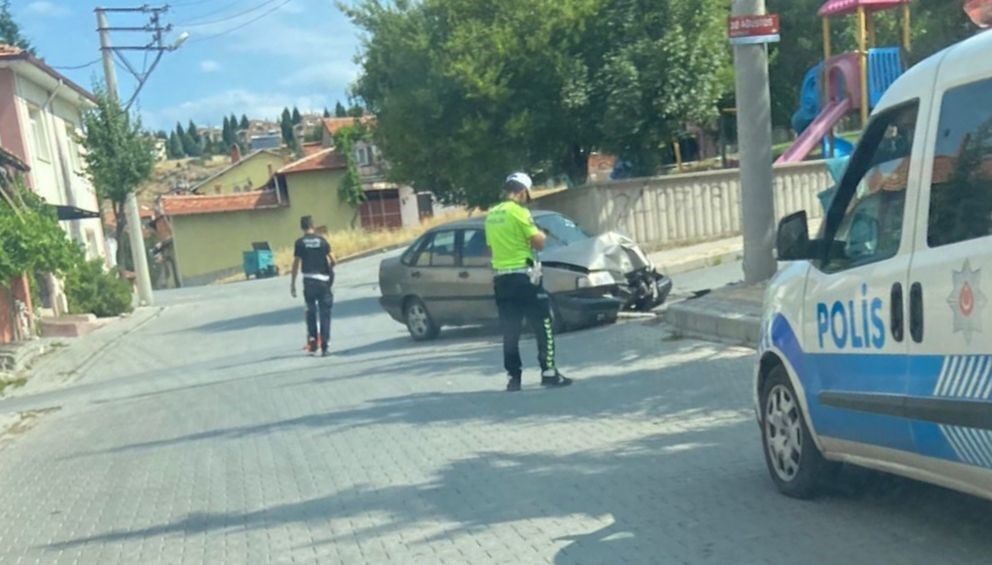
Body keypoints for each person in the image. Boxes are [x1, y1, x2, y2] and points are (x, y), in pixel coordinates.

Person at [485, 172, 571, 392]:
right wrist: (541, 233)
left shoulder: (492, 214)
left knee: (510, 330)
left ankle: (514, 378)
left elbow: (491, 247)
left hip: (502, 279)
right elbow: (538, 243)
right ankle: (549, 372)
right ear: (522, 191)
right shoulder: (519, 212)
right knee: (543, 323)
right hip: (525, 278)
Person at [290, 216, 336, 356]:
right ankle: (325, 346)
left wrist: (292, 284)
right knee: (324, 314)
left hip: (308, 282)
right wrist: (329, 271)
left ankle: (313, 342)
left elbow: (296, 264)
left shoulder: (300, 243)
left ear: (301, 227)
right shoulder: (322, 241)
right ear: (313, 225)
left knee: (310, 312)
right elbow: (333, 260)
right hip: (323, 281)